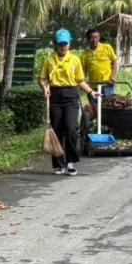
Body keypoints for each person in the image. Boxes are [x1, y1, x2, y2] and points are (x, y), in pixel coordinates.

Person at [41, 29, 98, 176]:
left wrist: (91, 91)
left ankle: (71, 162)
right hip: (55, 96)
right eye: (60, 44)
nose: (63, 47)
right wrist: (44, 88)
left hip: (71, 95)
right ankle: (58, 164)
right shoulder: (50, 60)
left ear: (69, 44)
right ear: (56, 45)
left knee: (72, 129)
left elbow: (80, 80)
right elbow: (42, 78)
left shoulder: (75, 60)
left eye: (65, 44)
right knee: (57, 130)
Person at [81, 29, 118, 98]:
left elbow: (114, 62)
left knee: (108, 106)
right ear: (87, 39)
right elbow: (83, 70)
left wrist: (113, 77)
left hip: (107, 84)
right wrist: (83, 82)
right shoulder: (85, 54)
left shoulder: (107, 47)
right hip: (93, 86)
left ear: (99, 37)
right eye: (92, 38)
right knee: (95, 107)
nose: (94, 40)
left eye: (96, 37)